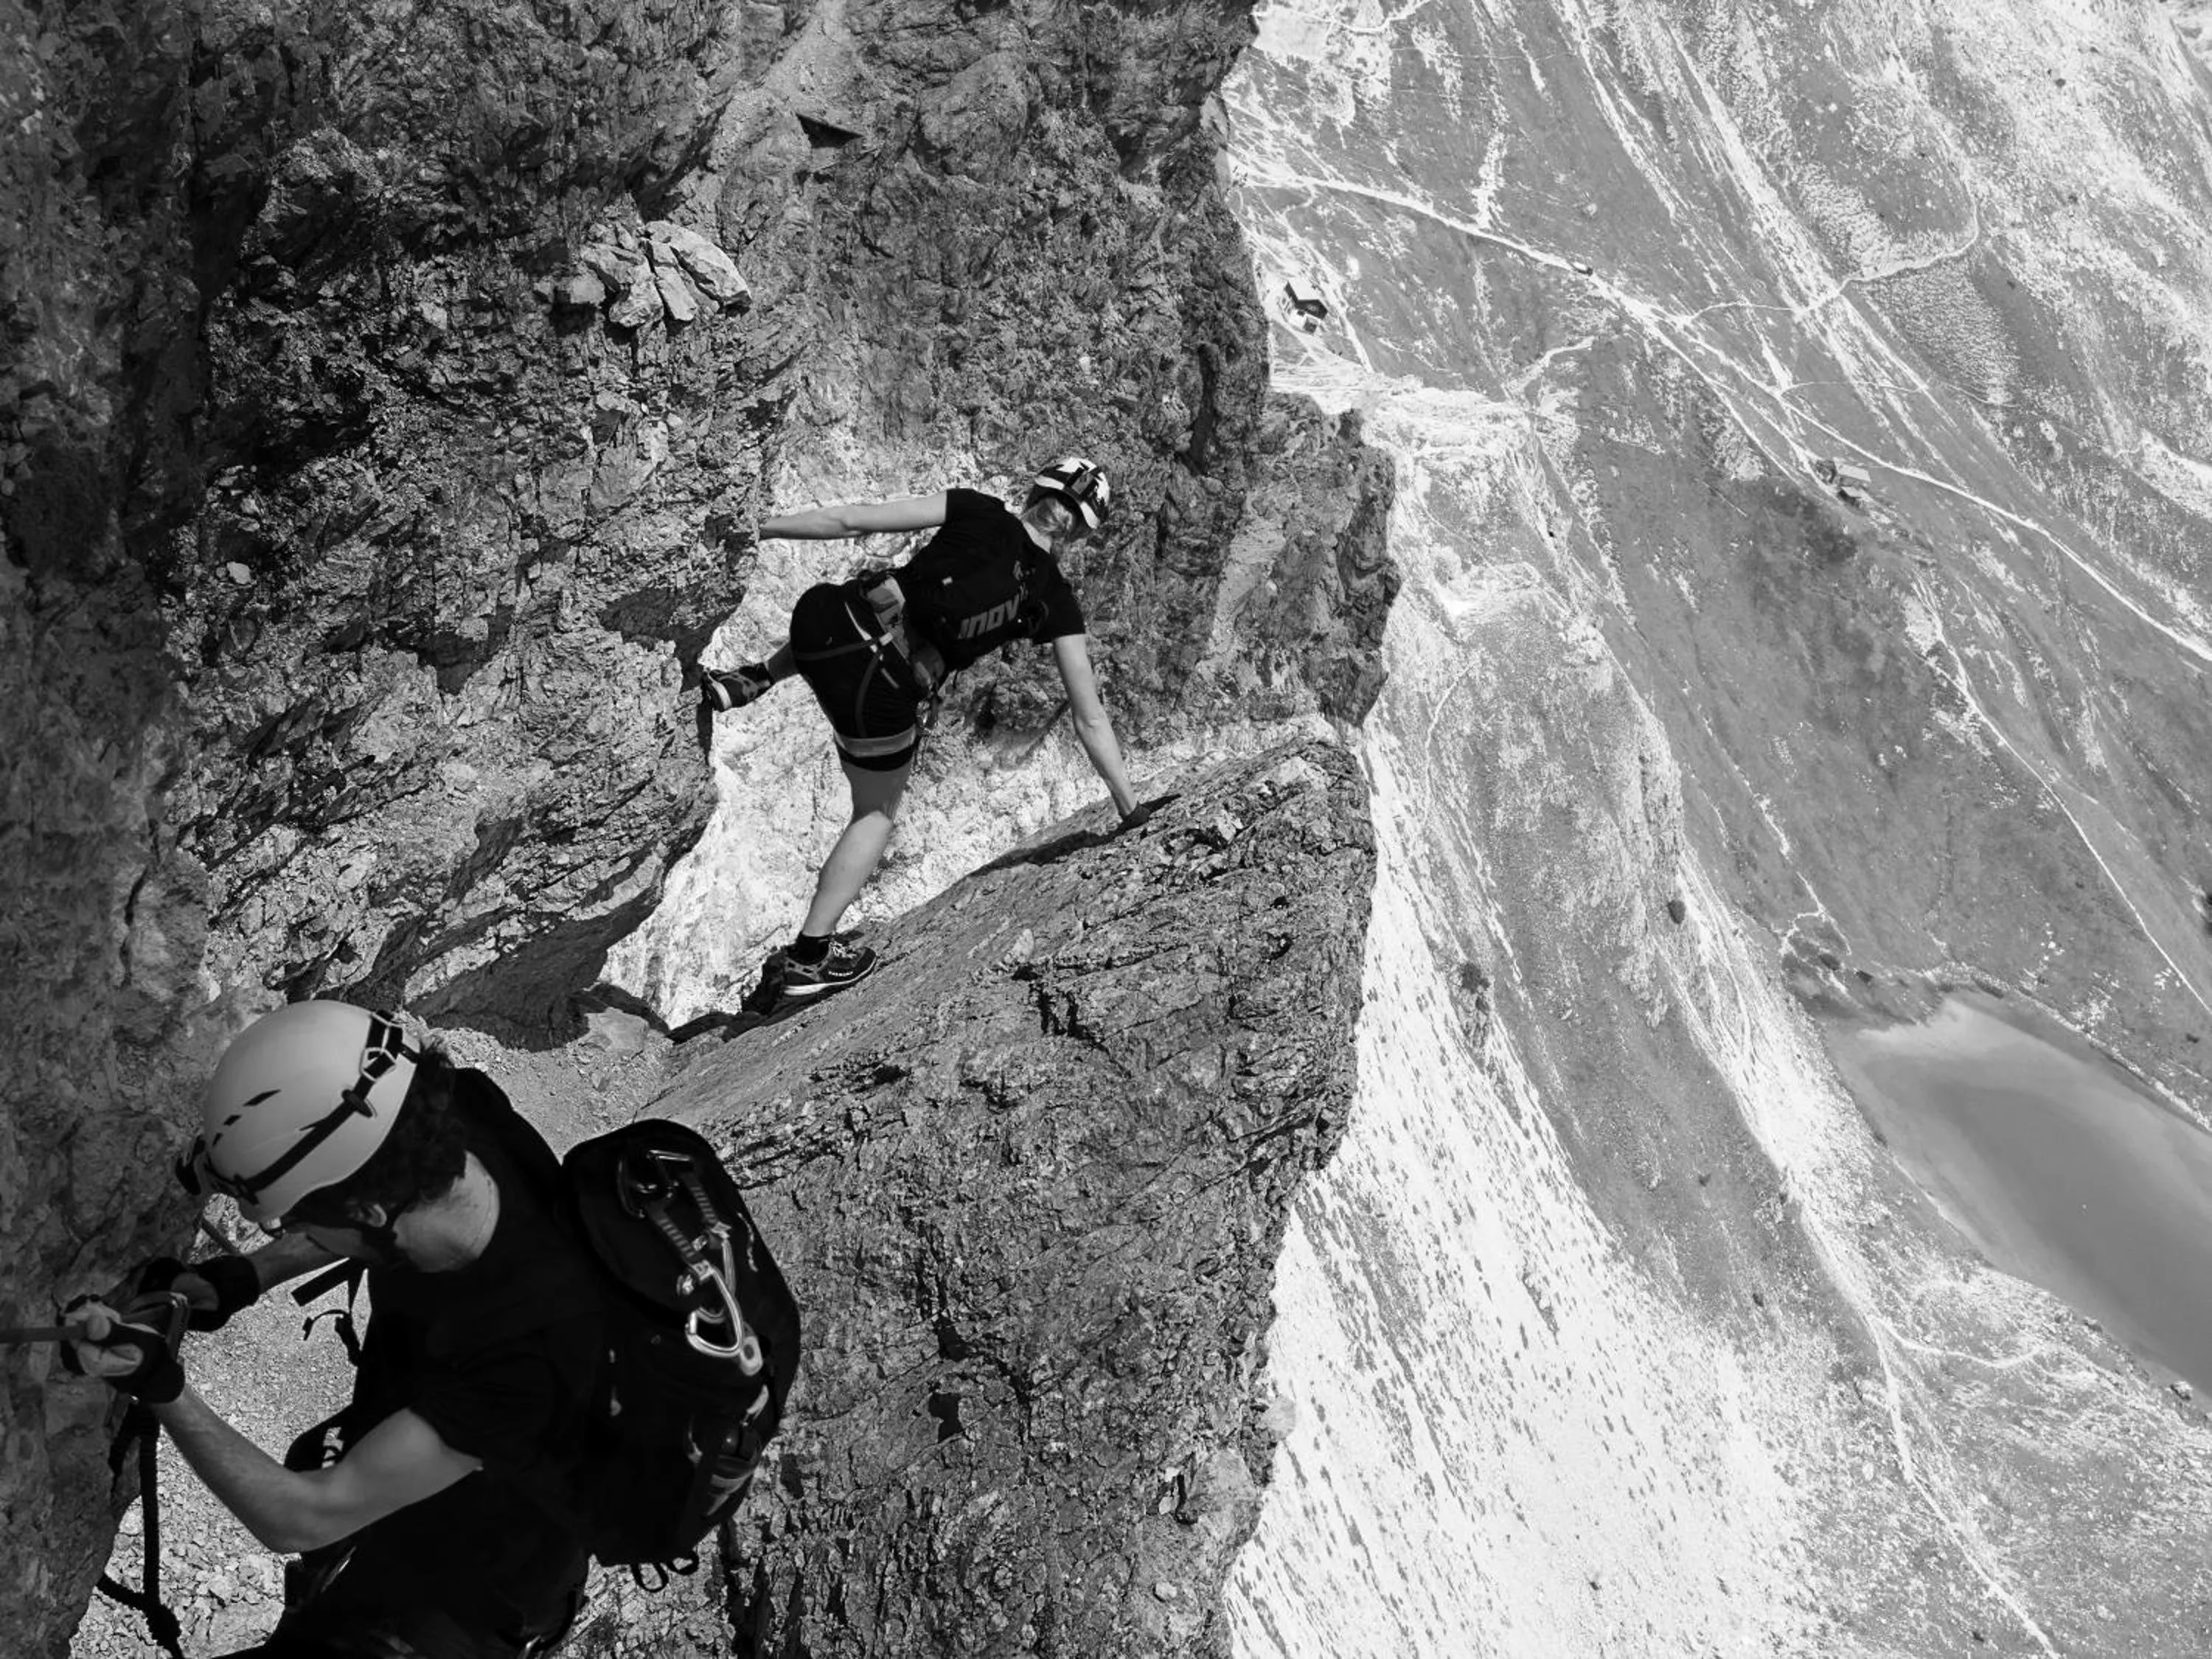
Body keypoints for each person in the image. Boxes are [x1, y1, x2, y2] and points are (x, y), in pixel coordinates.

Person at [62, 1001, 602, 1659]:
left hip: (462, 1601)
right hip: (410, 1492)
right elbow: (357, 1198)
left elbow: (302, 1514)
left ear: (370, 1213)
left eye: (295, 1224)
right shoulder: (436, 1117)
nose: (288, 1235)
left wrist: (160, 1383)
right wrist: (245, 1277)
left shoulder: (530, 1355)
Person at [700, 456, 1149, 1003]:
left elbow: (853, 522)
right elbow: (1088, 715)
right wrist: (1132, 810)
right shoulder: (1054, 598)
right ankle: (810, 958)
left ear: (1034, 491)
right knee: (875, 815)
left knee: (861, 607)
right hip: (883, 693)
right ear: (1079, 532)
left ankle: (750, 679)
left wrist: (760, 528)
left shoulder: (976, 508)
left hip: (822, 627)